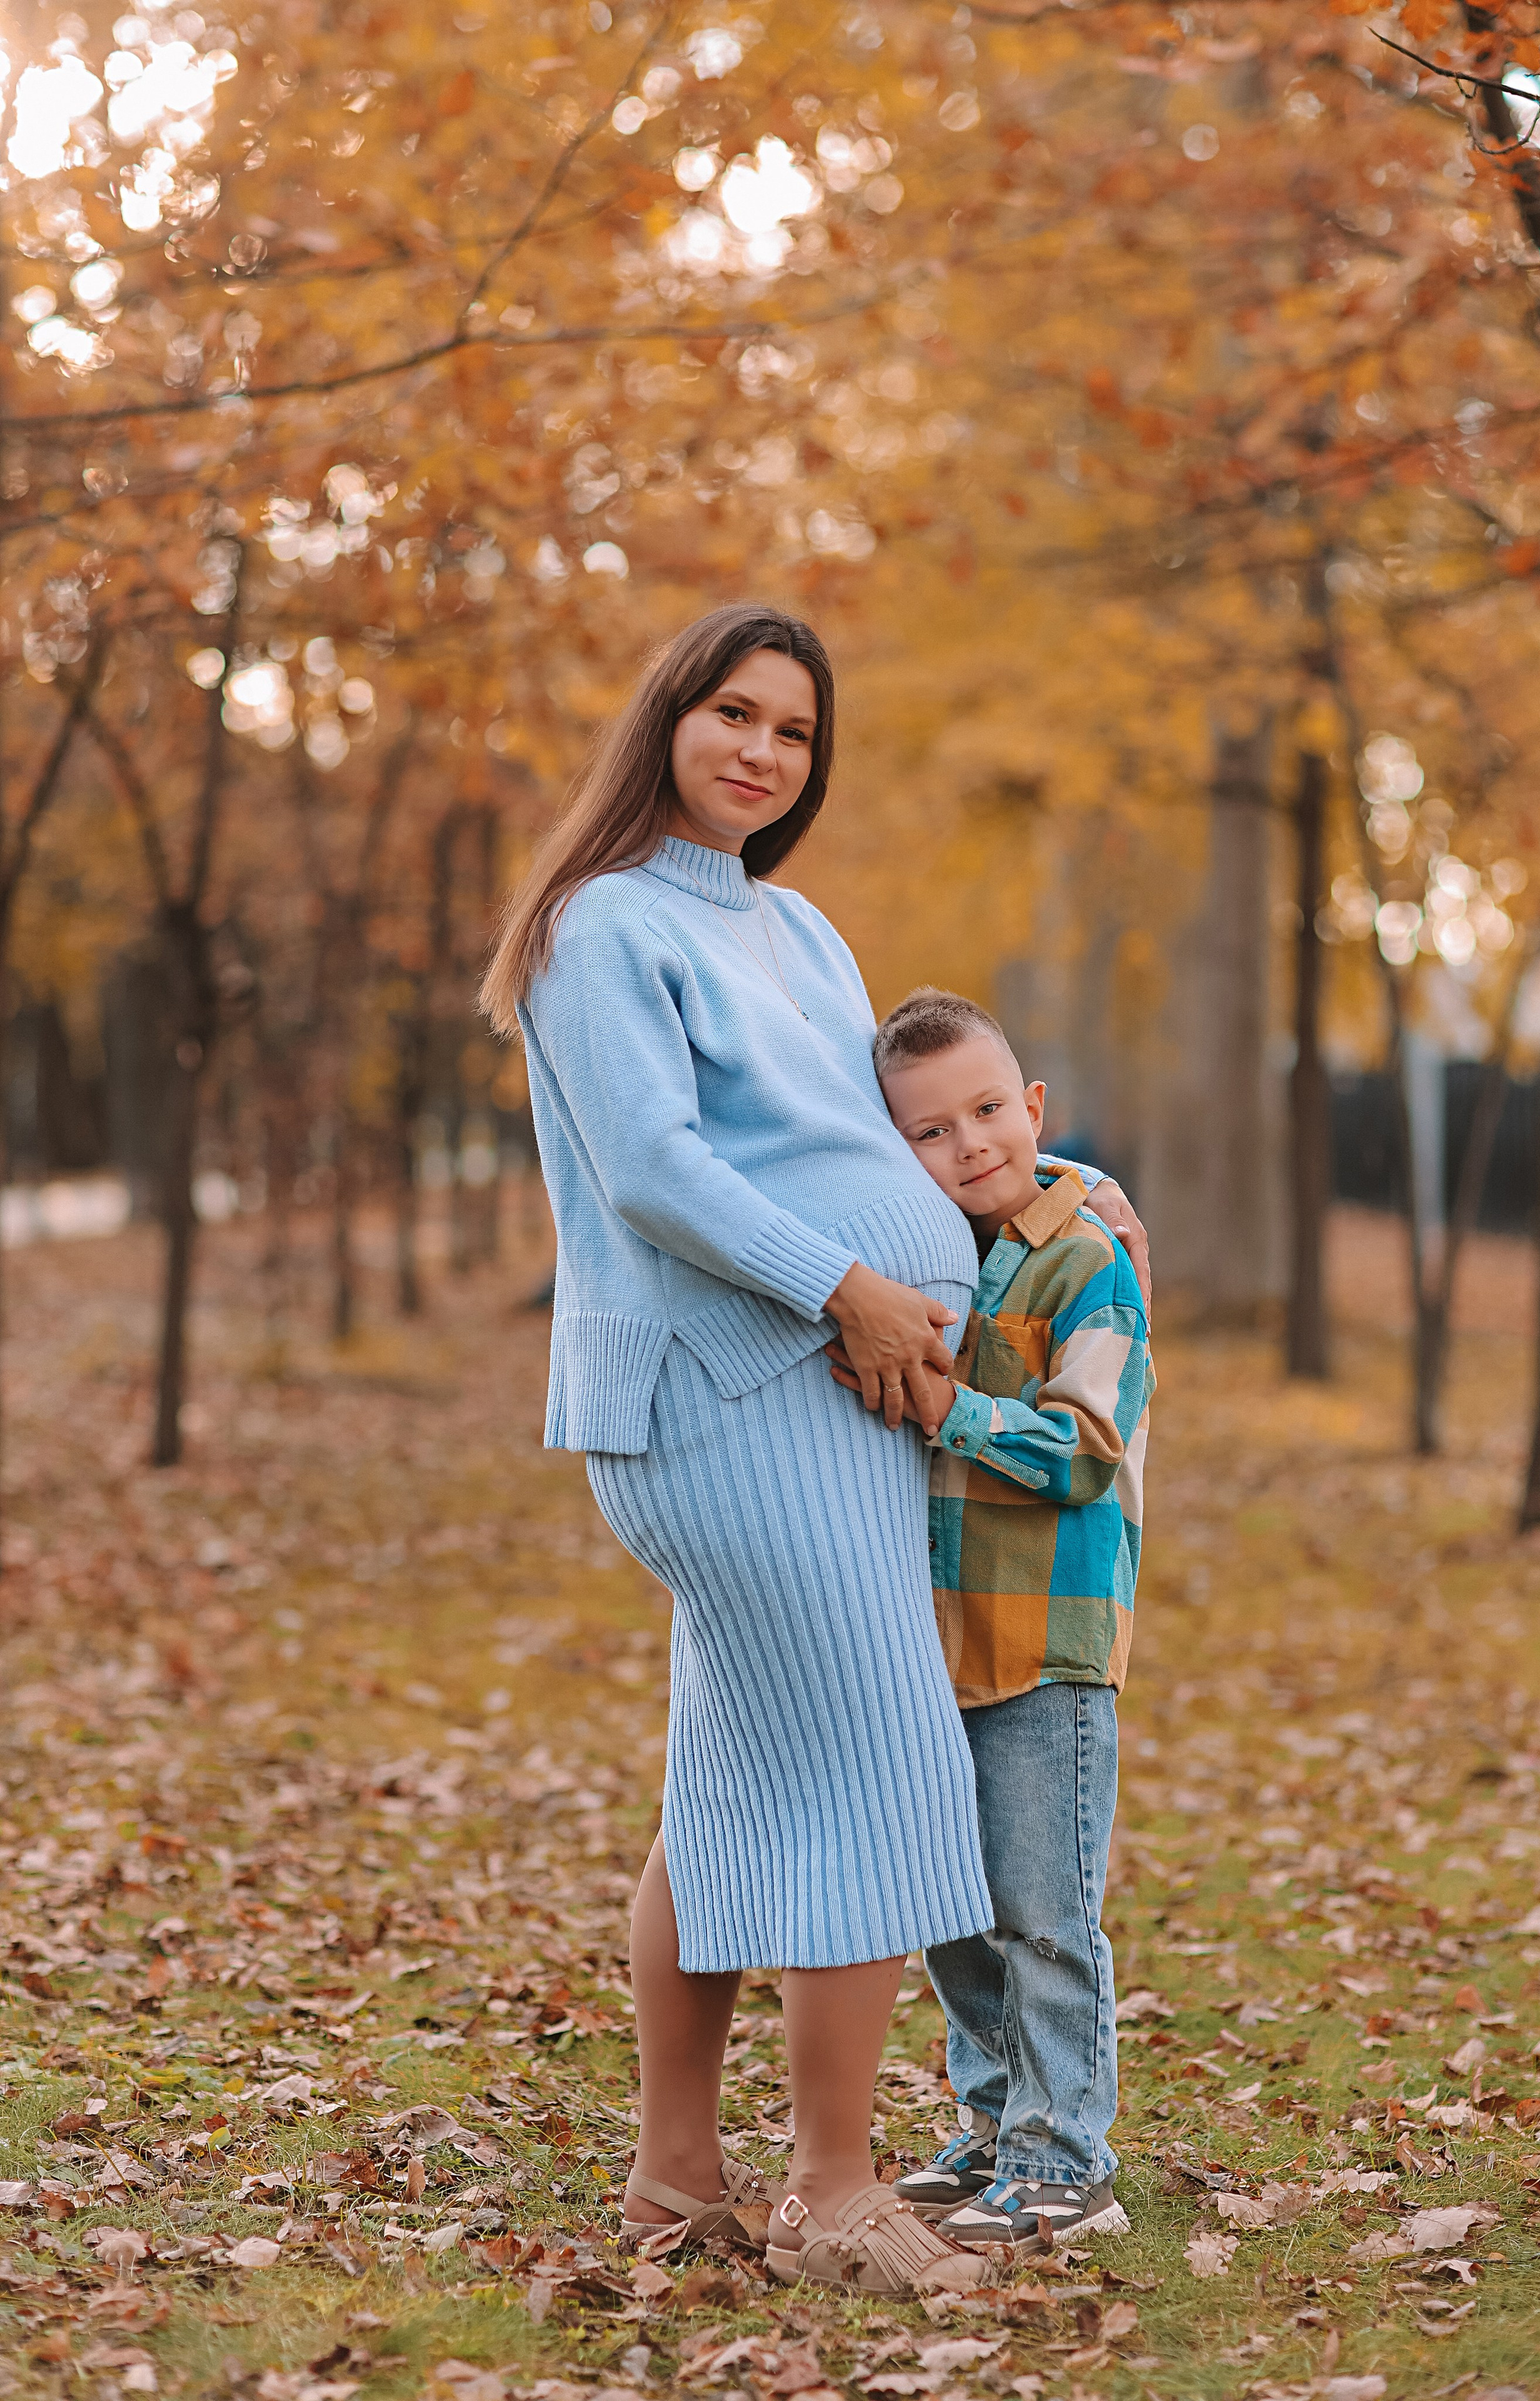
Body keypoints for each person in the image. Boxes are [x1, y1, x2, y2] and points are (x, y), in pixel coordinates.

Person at [480, 605, 1150, 2294]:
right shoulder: (600, 928)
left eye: (791, 730)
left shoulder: (801, 929)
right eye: (730, 712)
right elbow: (654, 1171)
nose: (759, 750)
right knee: (882, 1758)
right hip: (733, 1386)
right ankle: (840, 2190)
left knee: (727, 1790)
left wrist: (1054, 1203)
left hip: (848, 1398)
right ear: (668, 724)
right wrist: (848, 1289)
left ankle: (676, 2179)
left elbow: (900, 1144)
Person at [827, 987, 1153, 2256]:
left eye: (984, 1114)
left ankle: (1066, 2158)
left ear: (1031, 1111)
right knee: (954, 1915)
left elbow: (1080, 1448)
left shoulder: (1089, 1259)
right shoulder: (934, 1257)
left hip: (1047, 1644)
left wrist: (944, 1412)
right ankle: (993, 2130)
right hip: (937, 1641)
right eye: (928, 1132)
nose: (966, 1146)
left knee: (1040, 1910)